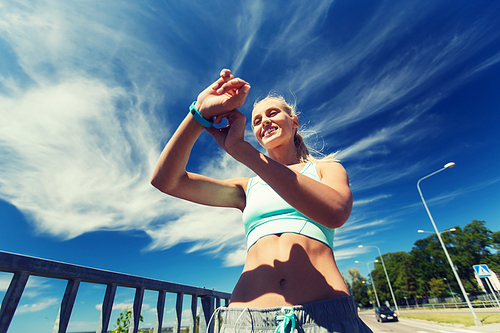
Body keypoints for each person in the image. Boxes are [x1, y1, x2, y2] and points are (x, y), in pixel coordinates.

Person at [151, 69, 372, 333]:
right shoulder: (248, 187)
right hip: (247, 320)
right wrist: (199, 113)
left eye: (272, 114)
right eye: (255, 121)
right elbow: (167, 181)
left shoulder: (325, 169)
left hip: (325, 319)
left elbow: (335, 212)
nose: (263, 122)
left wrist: (242, 151)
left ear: (294, 122)